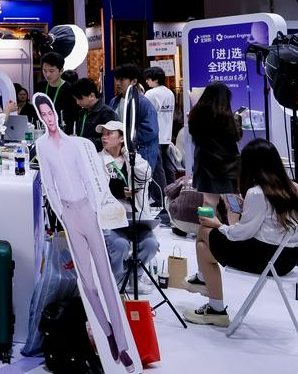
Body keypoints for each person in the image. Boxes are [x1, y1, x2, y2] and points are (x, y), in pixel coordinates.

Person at [33, 94, 135, 372]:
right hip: (68, 212)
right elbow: (49, 184)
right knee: (88, 282)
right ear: (40, 117)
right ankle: (108, 333)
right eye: (43, 114)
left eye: (50, 112)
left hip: (86, 209)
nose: (48, 117)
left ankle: (122, 345)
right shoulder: (42, 146)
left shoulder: (74, 144)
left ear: (55, 113)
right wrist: (62, 213)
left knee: (105, 277)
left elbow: (89, 178)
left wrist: (94, 207)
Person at [184, 139, 298, 326]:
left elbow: (241, 234)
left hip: (265, 257)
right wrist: (245, 211)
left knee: (204, 230)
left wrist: (219, 225)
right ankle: (212, 303)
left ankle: (206, 286)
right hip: (289, 258)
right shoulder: (293, 188)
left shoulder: (257, 193)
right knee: (203, 249)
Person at [97, 120, 159, 293]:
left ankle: (134, 278)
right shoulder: (97, 160)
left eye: (109, 133)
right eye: (103, 134)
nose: (104, 137)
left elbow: (146, 174)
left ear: (121, 138)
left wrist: (127, 154)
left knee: (151, 244)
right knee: (120, 245)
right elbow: (97, 189)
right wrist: (118, 192)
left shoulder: (132, 159)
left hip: (134, 216)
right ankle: (117, 279)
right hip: (110, 217)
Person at [109, 64, 165, 208]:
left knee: (140, 189)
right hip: (122, 151)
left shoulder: (143, 102)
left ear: (134, 81)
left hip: (141, 150)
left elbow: (150, 130)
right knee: (127, 186)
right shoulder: (114, 101)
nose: (118, 83)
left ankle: (145, 215)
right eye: (117, 79)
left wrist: (128, 140)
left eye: (122, 79)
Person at [189, 82, 242, 215]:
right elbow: (236, 136)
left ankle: (205, 226)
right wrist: (238, 121)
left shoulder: (195, 114)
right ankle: (233, 227)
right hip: (227, 165)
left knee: (208, 202)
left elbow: (194, 136)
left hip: (205, 164)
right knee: (233, 202)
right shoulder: (227, 117)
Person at [143, 66, 176, 191]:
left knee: (157, 169)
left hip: (154, 135)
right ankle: (173, 192)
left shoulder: (150, 93)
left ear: (155, 79)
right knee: (168, 167)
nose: (146, 81)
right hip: (167, 135)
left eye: (148, 79)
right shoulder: (169, 93)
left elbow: (146, 114)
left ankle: (161, 196)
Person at [34, 52, 78, 134]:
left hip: (64, 133)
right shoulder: (40, 87)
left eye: (51, 71)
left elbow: (73, 117)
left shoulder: (70, 89)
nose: (47, 75)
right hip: (43, 132)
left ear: (61, 71)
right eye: (44, 71)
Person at [72, 78, 118, 151]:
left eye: (80, 99)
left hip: (99, 154)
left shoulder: (107, 113)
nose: (77, 103)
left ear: (92, 96)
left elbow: (111, 140)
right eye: (76, 99)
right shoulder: (83, 112)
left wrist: (84, 142)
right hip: (84, 151)